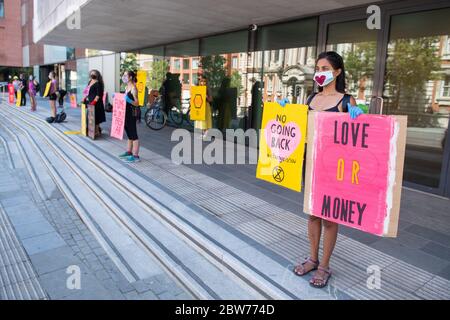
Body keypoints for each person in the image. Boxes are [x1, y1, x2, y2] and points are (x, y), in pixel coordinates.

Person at [293, 51, 363, 288]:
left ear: (337, 72)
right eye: (317, 68)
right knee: (313, 214)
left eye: (324, 68)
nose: (319, 72)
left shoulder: (346, 101)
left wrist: (360, 118)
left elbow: (357, 141)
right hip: (311, 163)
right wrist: (285, 113)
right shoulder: (311, 99)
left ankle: (324, 265)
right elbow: (300, 129)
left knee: (330, 219)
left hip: (335, 168)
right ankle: (312, 259)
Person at [118, 71, 141, 163]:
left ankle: (136, 156)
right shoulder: (126, 87)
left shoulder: (133, 88)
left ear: (130, 77)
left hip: (132, 113)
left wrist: (128, 100)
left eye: (125, 75)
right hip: (125, 113)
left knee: (133, 134)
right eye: (123, 75)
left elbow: (137, 103)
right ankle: (129, 152)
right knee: (129, 133)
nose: (123, 77)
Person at [83, 70, 106, 137]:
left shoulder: (98, 83)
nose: (92, 74)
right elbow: (86, 91)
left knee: (96, 118)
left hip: (96, 104)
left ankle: (96, 132)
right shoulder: (90, 82)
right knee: (91, 117)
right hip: (90, 102)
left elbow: (98, 95)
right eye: (91, 73)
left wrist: (93, 102)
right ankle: (96, 130)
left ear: (97, 75)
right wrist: (84, 98)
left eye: (94, 73)